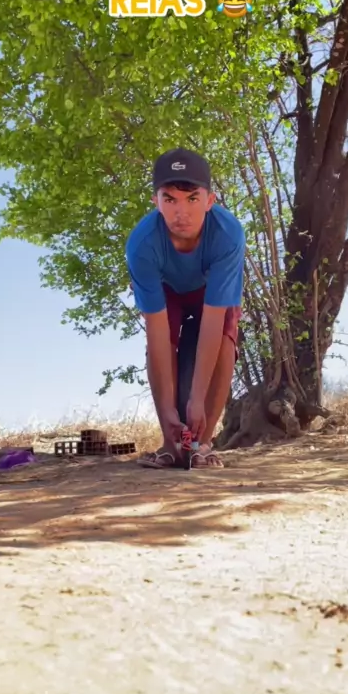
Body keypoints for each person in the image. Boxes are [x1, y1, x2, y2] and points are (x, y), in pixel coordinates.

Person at [125, 147, 246, 468]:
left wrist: (196, 399)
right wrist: (168, 409)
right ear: (156, 202)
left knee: (225, 338)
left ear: (210, 201)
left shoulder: (228, 234)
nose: (182, 212)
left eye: (192, 199)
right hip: (168, 290)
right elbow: (157, 334)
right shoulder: (141, 245)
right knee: (161, 345)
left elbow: (213, 322)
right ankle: (170, 444)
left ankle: (202, 445)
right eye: (170, 199)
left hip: (210, 290)